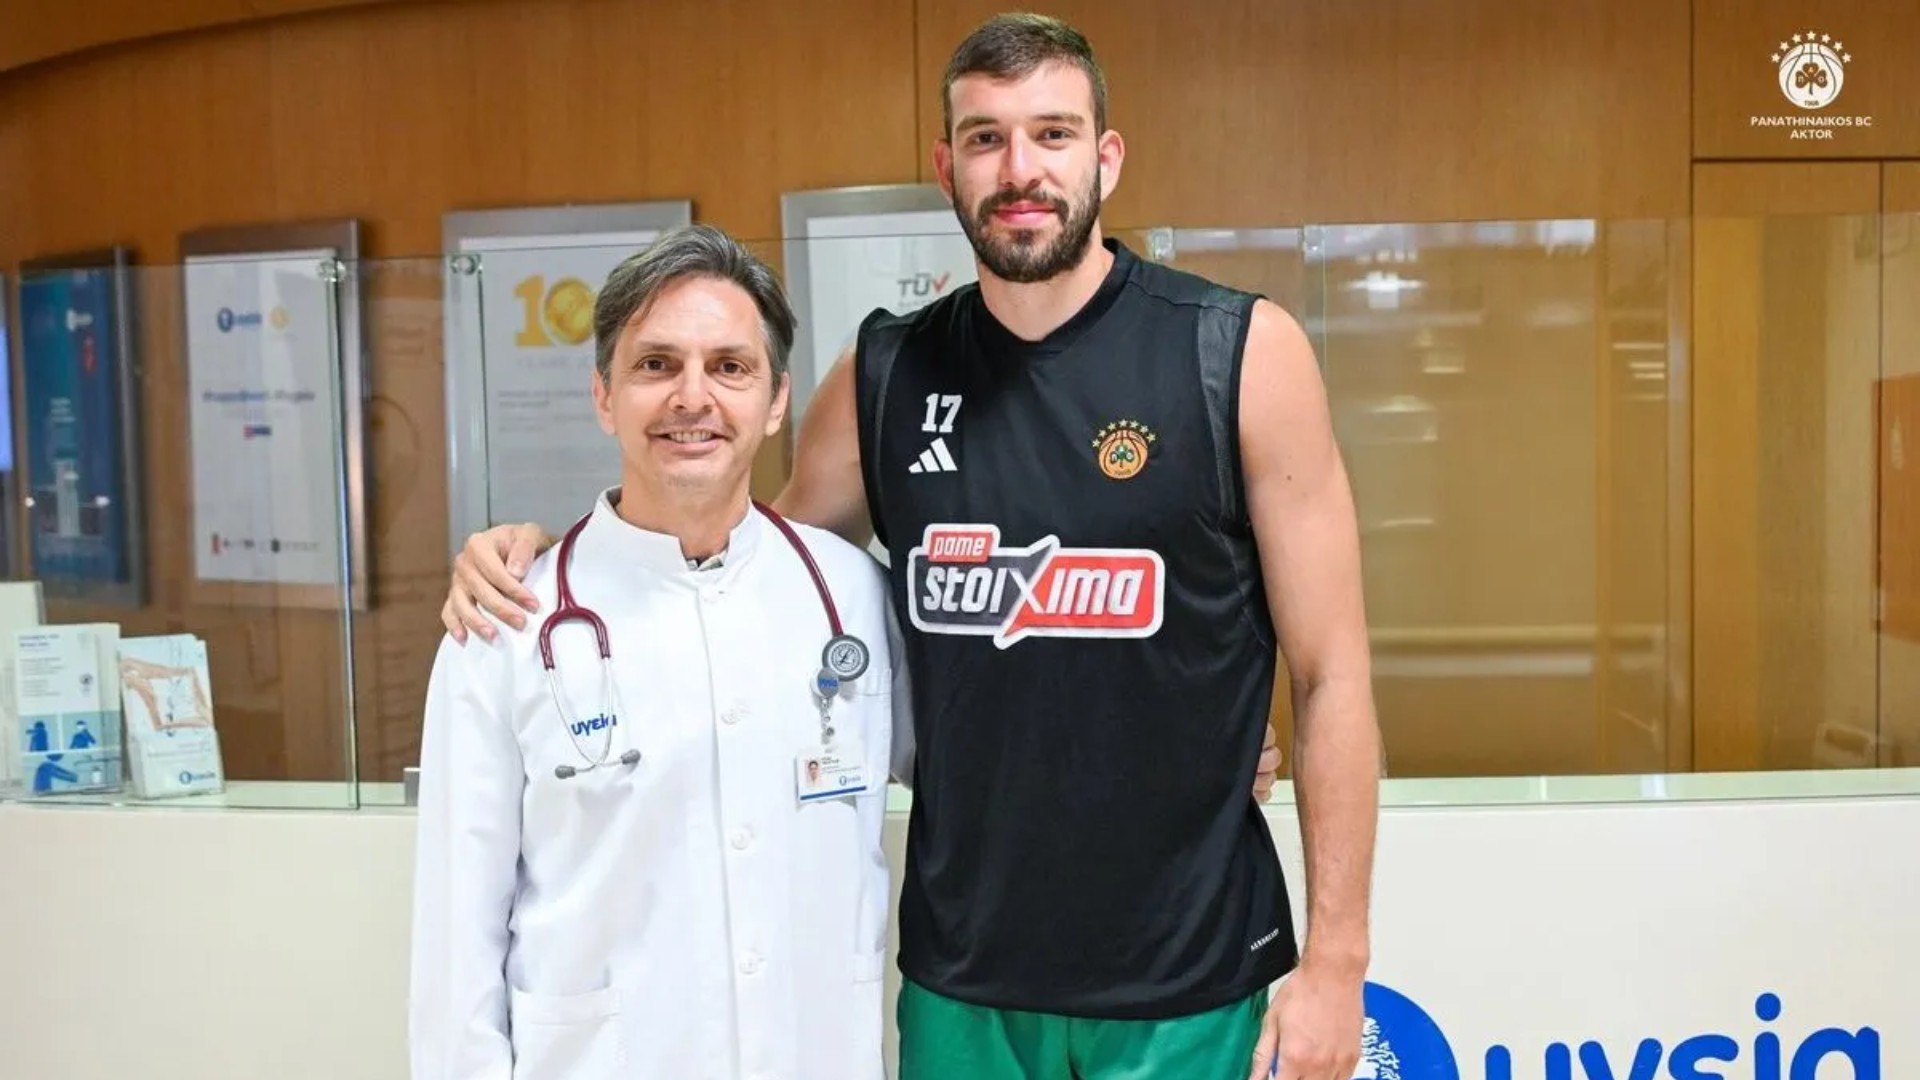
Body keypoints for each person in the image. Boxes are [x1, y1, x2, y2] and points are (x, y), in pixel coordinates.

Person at [441, 13, 1379, 1080]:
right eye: (986, 139)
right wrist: (555, 557)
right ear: (946, 168)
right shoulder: (882, 378)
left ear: (1107, 158)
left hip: (1189, 973)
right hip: (962, 979)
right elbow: (737, 572)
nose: (1019, 169)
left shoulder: (1237, 353)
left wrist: (1338, 960)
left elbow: (1333, 672)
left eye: (1053, 133)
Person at [408, 224, 901, 1080]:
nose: (692, 397)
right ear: (604, 396)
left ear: (776, 401)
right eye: (656, 365)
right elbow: (457, 945)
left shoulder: (852, 598)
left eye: (730, 367)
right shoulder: (506, 625)